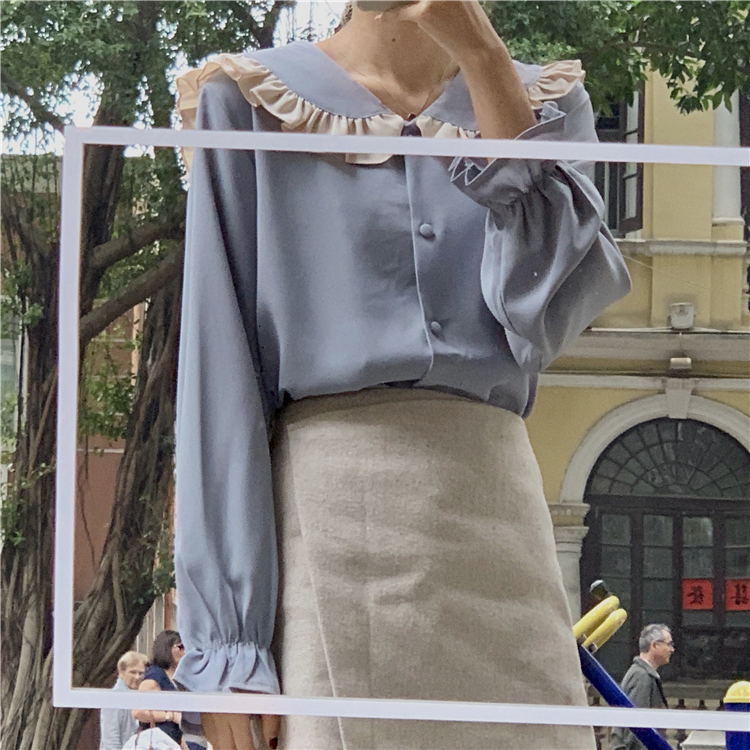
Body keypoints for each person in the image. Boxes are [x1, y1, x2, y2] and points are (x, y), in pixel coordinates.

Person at [173, 1, 632, 748]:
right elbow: (218, 379)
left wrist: (483, 59)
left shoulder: (549, 105)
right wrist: (230, 650)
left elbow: (547, 309)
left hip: (498, 518)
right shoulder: (246, 101)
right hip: (329, 524)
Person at [133, 630, 204, 750]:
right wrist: (170, 716)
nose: (185, 651)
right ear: (166, 648)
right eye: (180, 647)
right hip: (159, 740)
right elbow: (138, 712)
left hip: (178, 740)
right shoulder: (155, 674)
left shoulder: (181, 676)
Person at [609, 624, 674, 750]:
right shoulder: (641, 676)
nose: (672, 649)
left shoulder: (642, 673)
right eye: (669, 644)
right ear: (654, 645)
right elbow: (637, 729)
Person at [99, 651, 147, 750]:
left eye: (140, 673)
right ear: (121, 672)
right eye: (133, 672)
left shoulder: (136, 696)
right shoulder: (113, 699)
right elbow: (111, 740)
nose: (137, 677)